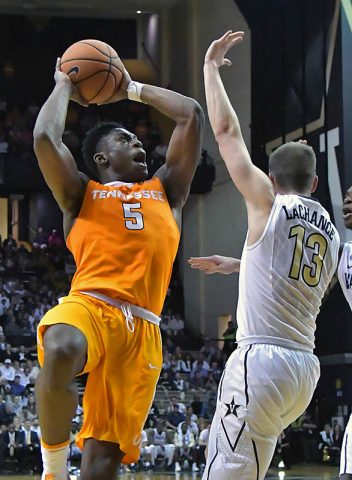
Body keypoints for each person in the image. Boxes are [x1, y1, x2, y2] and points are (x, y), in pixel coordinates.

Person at [33, 55, 204, 480]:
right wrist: (64, 85)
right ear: (102, 159)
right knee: (60, 349)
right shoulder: (80, 193)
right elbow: (43, 138)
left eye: (138, 139)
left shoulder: (167, 191)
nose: (139, 143)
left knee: (102, 464)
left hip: (143, 328)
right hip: (90, 305)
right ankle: (52, 469)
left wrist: (132, 89)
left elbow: (190, 116)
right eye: (126, 139)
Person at [189, 30, 339, 479]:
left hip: (263, 361)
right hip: (304, 372)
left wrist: (210, 68)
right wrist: (242, 265)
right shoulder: (332, 235)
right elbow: (301, 283)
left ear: (270, 178)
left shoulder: (267, 203)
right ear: (314, 184)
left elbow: (226, 132)